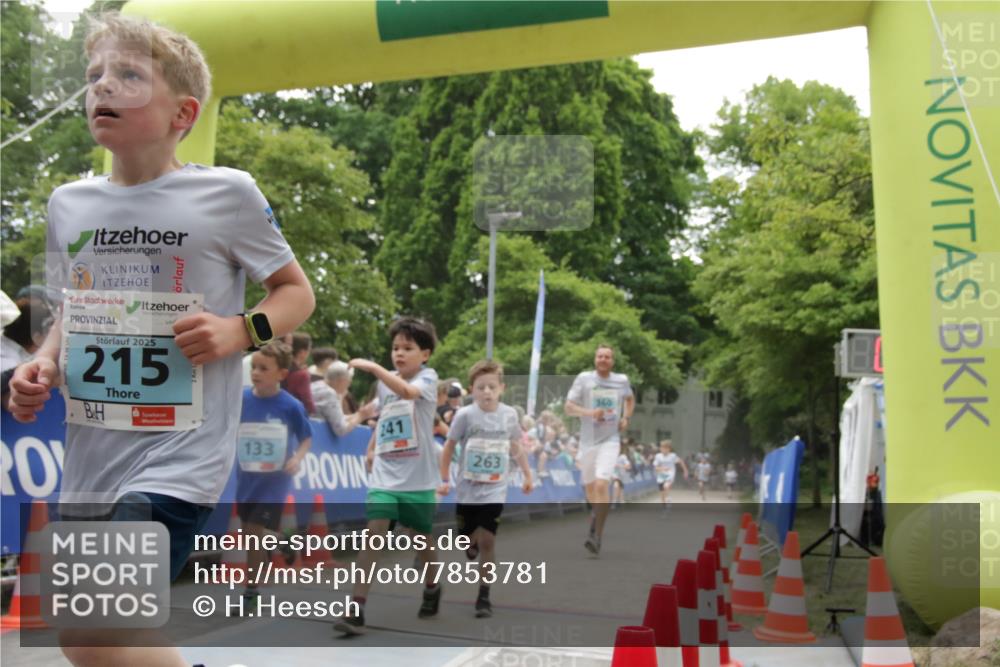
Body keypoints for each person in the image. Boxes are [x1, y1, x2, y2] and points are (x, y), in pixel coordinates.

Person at [6, 13, 315, 667]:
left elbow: (296, 294)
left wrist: (240, 329)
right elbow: (72, 308)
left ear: (184, 113)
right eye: (94, 74)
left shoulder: (226, 193)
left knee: (104, 620)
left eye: (128, 74)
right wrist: (44, 363)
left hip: (178, 460)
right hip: (91, 462)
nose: (102, 86)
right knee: (85, 641)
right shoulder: (68, 204)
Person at [334, 317, 442, 636]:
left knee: (421, 539)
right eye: (395, 348)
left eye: (407, 348)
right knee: (374, 533)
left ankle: (433, 585)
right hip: (386, 473)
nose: (399, 353)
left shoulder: (428, 378)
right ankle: (356, 608)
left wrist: (374, 368)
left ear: (425, 354)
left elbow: (407, 393)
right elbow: (385, 417)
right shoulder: (385, 383)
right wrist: (371, 448)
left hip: (418, 478)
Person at [437, 359, 532, 618]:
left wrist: (527, 473)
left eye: (492, 387)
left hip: (496, 486)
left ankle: (484, 595)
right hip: (467, 487)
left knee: (488, 539)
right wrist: (444, 477)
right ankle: (470, 543)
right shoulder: (465, 415)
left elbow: (515, 445)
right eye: (481, 388)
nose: (487, 392)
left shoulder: (509, 414)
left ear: (502, 388)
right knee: (467, 538)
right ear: (472, 390)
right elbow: (449, 446)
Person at [236, 342, 313, 600]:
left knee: (254, 531)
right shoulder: (241, 399)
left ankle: (251, 590)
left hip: (275, 480)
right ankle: (282, 541)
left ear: (282, 374)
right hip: (247, 476)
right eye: (254, 367)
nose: (255, 373)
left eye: (263, 369)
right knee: (249, 532)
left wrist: (297, 458)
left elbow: (306, 437)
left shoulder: (290, 406)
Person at [564, 344, 634, 555]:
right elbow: (568, 407)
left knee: (602, 483)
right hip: (588, 442)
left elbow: (630, 399)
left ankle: (596, 535)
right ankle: (596, 515)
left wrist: (626, 418)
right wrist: (590, 413)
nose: (603, 359)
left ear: (612, 361)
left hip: (610, 440)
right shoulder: (584, 379)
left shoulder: (621, 380)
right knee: (590, 489)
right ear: (595, 359)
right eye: (600, 356)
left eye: (607, 357)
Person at [311, 360, 375, 436]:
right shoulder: (329, 394)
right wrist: (361, 416)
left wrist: (358, 414)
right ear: (341, 381)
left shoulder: (316, 385)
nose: (349, 385)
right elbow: (341, 430)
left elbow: (338, 418)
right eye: (349, 381)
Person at [282, 331, 315, 414]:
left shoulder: (278, 368)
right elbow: (309, 406)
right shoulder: (302, 375)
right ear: (302, 352)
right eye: (309, 350)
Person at [653, 440, 688, 512]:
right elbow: (655, 468)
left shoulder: (673, 456)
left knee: (666, 486)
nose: (663, 450)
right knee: (662, 494)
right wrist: (662, 468)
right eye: (662, 448)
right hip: (661, 475)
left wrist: (685, 471)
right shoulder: (658, 456)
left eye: (665, 448)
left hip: (670, 474)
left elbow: (681, 461)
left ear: (669, 449)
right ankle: (664, 507)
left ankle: (668, 499)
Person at [610, 445, 631, 509]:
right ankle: (614, 502)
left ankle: (620, 501)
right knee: (616, 485)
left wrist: (619, 466)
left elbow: (628, 466)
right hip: (614, 475)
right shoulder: (611, 457)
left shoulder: (623, 457)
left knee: (620, 489)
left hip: (622, 475)